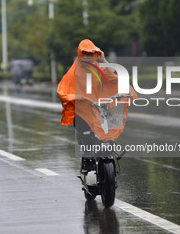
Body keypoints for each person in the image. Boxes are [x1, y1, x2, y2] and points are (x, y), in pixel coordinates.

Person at [57, 39, 137, 171]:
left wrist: (103, 59)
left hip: (100, 110)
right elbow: (64, 89)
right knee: (87, 132)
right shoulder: (74, 70)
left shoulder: (98, 67)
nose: (89, 56)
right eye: (86, 53)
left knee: (110, 128)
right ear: (80, 53)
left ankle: (107, 153)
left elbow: (113, 75)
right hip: (83, 112)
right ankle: (87, 161)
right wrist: (76, 97)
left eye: (91, 53)